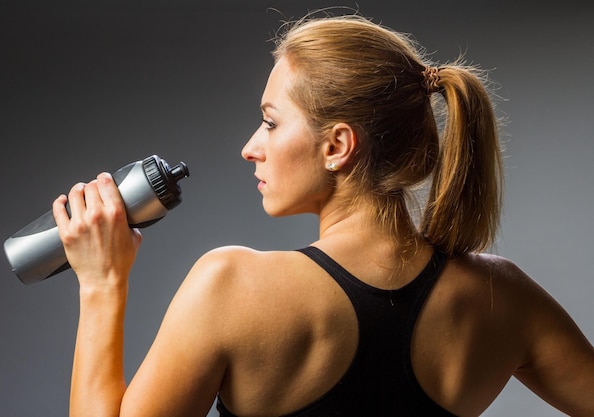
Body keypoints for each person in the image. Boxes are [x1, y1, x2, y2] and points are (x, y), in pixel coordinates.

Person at [52, 12, 594, 417]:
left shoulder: (230, 287)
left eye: (269, 122)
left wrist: (102, 284)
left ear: (336, 145)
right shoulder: (502, 296)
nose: (250, 147)